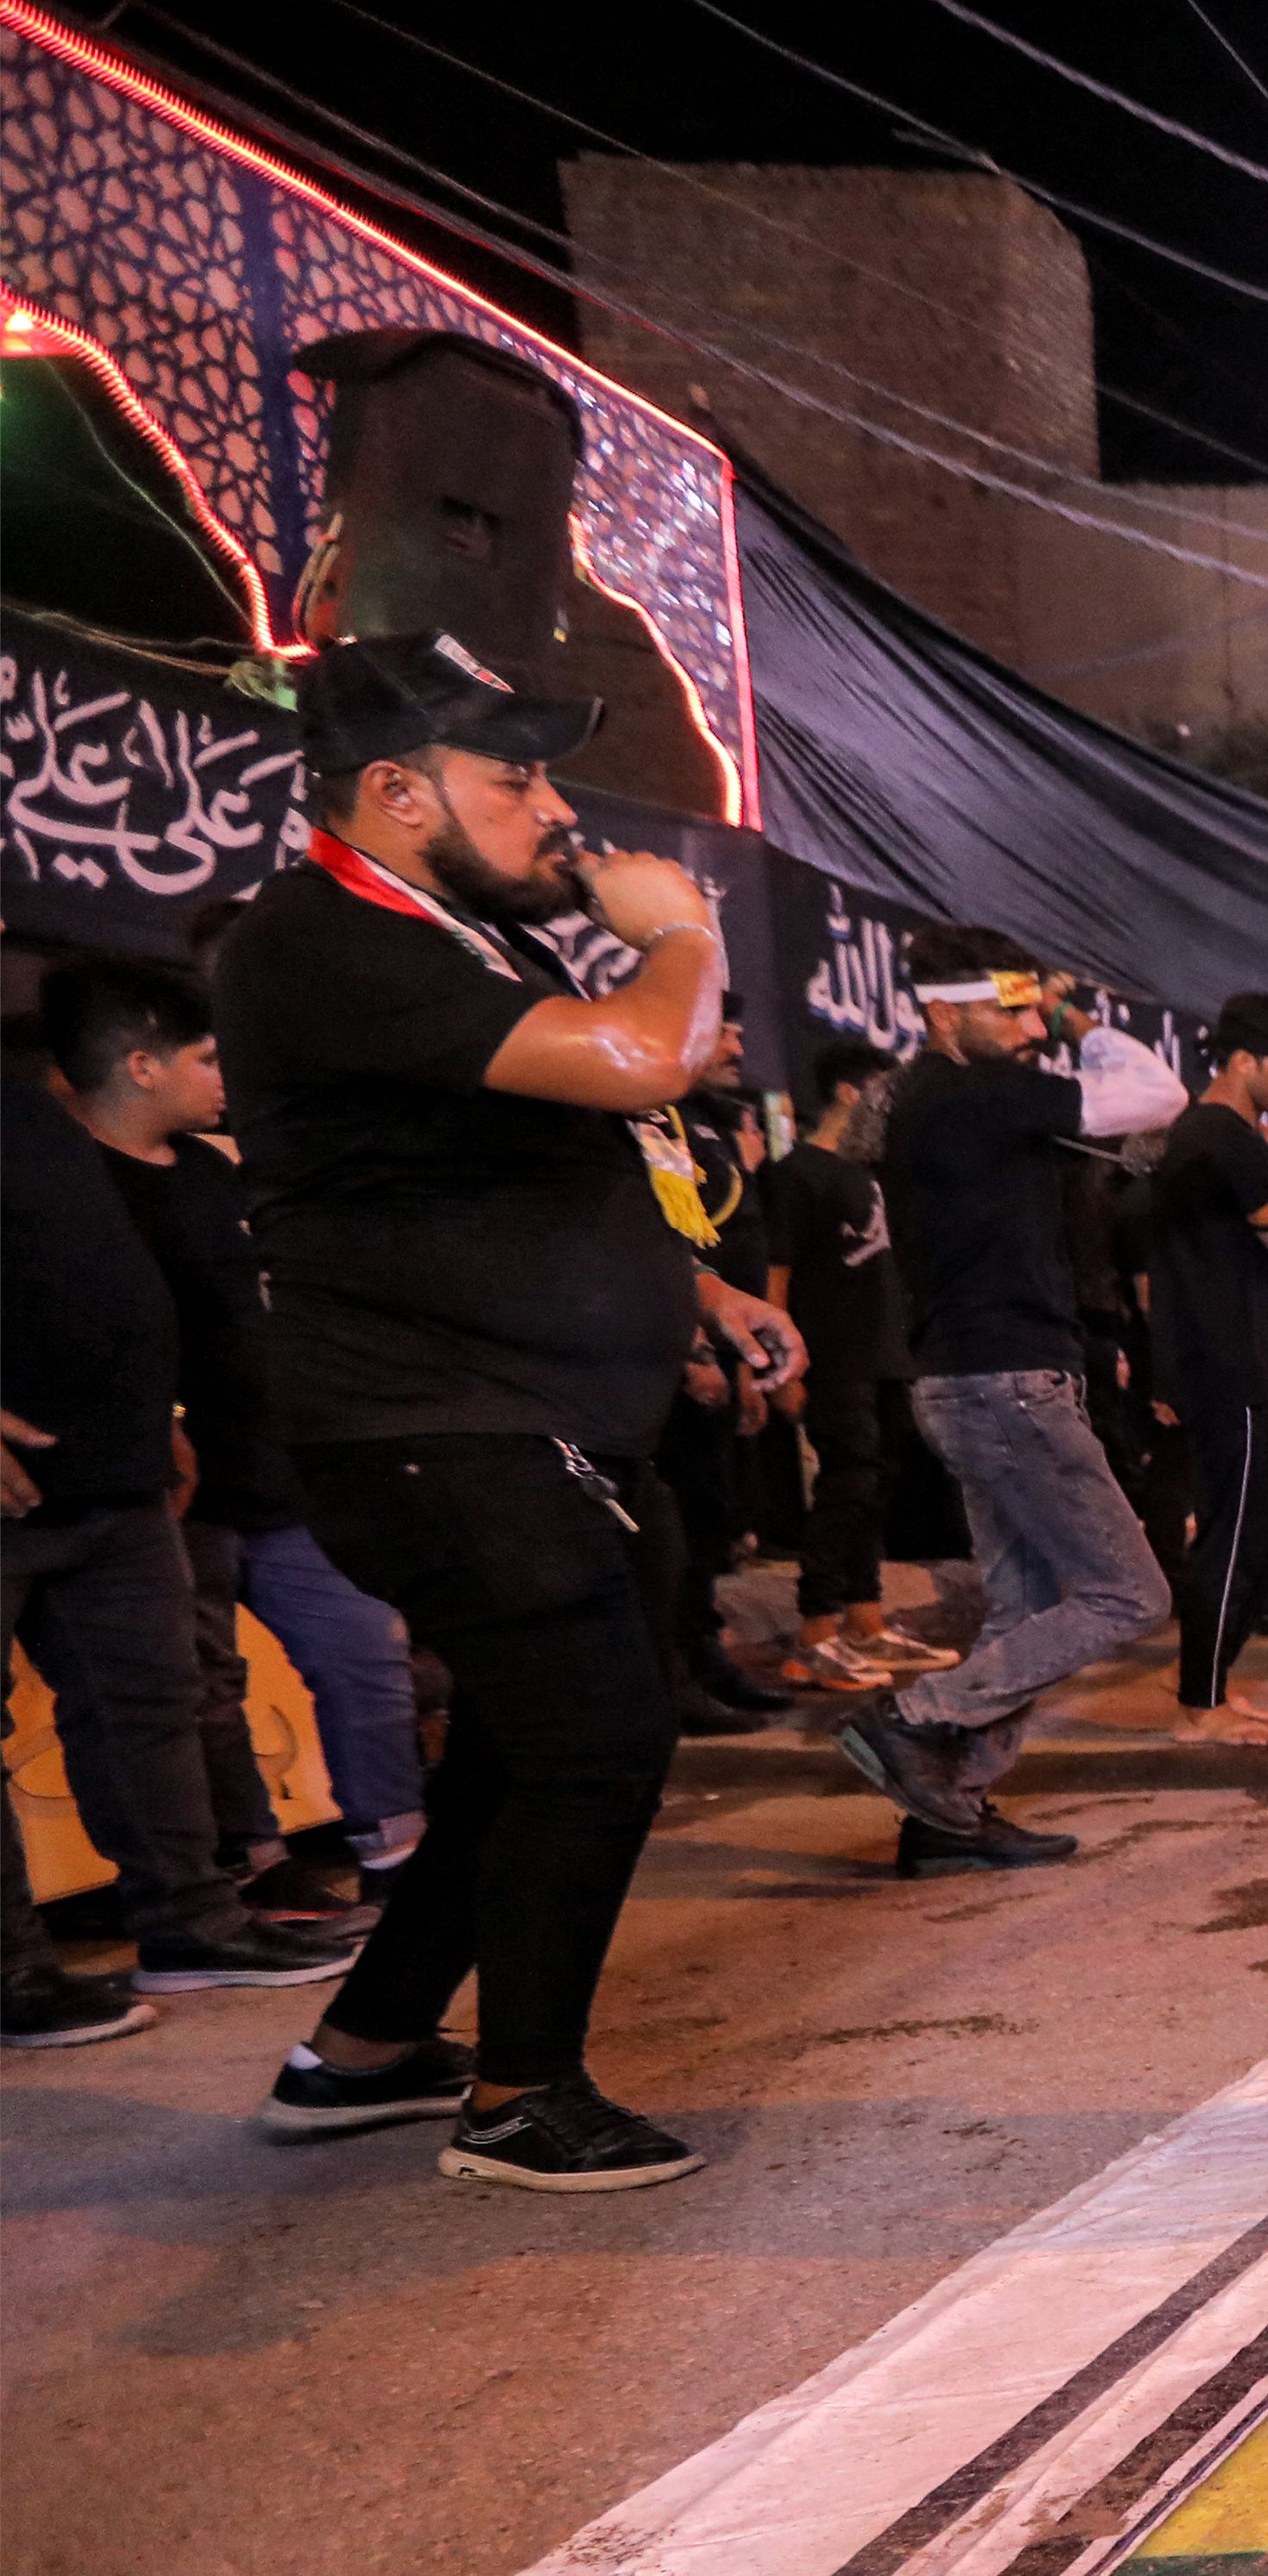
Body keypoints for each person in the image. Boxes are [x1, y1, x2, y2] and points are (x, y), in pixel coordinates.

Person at [210, 633, 823, 2183]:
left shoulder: (477, 941)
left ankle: (366, 2051)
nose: (557, 807)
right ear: (397, 793)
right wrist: (686, 931)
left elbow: (541, 1164)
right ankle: (523, 2098)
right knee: (597, 1743)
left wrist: (703, 1297)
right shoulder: (319, 937)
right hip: (439, 1431)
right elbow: (642, 1060)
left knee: (515, 1749)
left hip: (523, 1425)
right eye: (516, 774)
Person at [8, 983, 365, 2043]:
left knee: (151, 1708)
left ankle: (191, 1923)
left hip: (114, 1470)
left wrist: (151, 1406)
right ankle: (13, 1981)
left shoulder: (29, 1092)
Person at [47, 958, 414, 1923]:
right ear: (141, 1066)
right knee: (200, 1688)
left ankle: (397, 1849)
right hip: (169, 1488)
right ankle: (251, 1865)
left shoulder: (215, 1172)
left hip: (276, 1473)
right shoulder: (71, 1181)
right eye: (208, 1058)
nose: (227, 1078)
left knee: (363, 1647)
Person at [824, 931, 1178, 1873]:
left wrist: (1039, 1011)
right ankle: (913, 1718)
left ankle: (947, 1814)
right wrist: (1071, 1014)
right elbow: (1160, 1094)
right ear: (944, 1012)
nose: (1030, 1029)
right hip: (1005, 1385)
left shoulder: (952, 1099)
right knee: (1128, 1593)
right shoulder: (972, 1095)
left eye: (1036, 1011)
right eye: (1010, 1009)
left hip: (983, 1382)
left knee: (1022, 1613)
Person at [1137, 995, 1268, 1738]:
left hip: (1262, 1362)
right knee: (1237, 1535)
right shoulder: (1227, 1142)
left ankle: (1204, 1663)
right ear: (1243, 1062)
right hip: (1233, 1367)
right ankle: (1201, 1700)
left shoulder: (1208, 1138)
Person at [754, 1036, 946, 1695]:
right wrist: (782, 1368)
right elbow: (775, 1273)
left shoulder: (874, 1172)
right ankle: (815, 1634)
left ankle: (866, 1620)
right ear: (847, 1091)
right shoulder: (796, 1173)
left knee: (877, 1487)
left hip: (887, 1355)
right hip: (831, 1356)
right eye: (882, 1090)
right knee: (845, 1486)